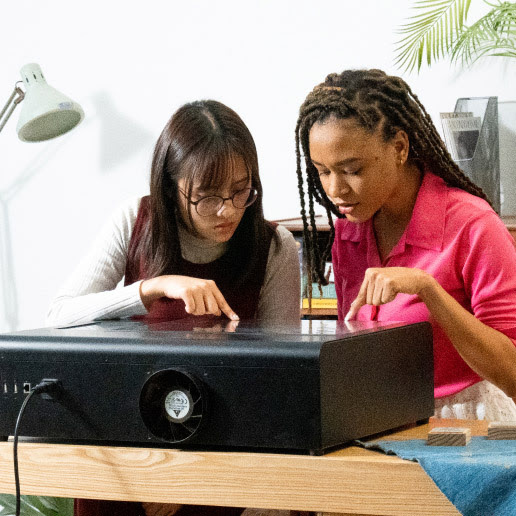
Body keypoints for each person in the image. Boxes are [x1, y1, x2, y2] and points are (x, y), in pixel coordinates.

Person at [46, 99, 300, 516]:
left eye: (241, 191)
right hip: (124, 457)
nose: (228, 210)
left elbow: (279, 387)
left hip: (221, 466)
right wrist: (151, 287)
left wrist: (191, 479)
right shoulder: (135, 220)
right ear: (170, 186)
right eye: (206, 197)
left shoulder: (273, 248)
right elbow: (58, 315)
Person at [294, 69, 516, 421]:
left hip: (470, 426)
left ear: (398, 147)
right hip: (383, 418)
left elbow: (513, 373)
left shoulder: (473, 226)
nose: (335, 190)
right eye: (322, 171)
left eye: (352, 169)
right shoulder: (350, 232)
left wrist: (429, 290)